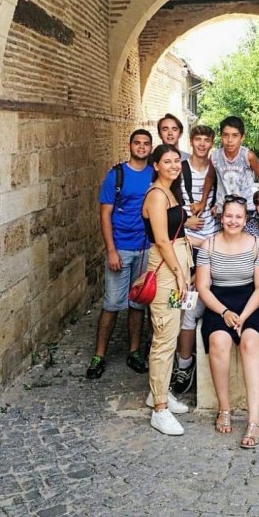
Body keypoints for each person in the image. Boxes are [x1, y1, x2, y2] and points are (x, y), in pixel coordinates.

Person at [195, 195, 259, 448]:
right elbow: (203, 287)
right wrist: (225, 312)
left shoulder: (255, 245)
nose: (233, 221)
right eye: (229, 215)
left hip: (251, 302)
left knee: (250, 343)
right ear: (221, 217)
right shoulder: (208, 245)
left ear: (245, 219)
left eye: (238, 216)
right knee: (219, 342)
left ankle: (254, 419)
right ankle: (224, 407)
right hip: (219, 302)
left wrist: (243, 316)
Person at [135, 143, 197, 435]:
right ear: (156, 165)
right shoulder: (157, 195)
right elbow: (161, 240)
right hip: (166, 273)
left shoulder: (171, 191)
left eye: (176, 161)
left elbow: (178, 234)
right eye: (167, 161)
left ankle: (157, 392)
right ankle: (159, 410)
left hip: (178, 267)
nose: (173, 165)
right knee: (163, 336)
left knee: (172, 331)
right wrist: (180, 275)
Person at [86, 129, 154, 379]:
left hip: (145, 248)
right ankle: (99, 355)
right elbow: (105, 214)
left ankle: (134, 352)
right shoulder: (116, 175)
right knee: (112, 303)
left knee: (138, 303)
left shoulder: (154, 174)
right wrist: (111, 250)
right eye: (137, 143)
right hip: (121, 248)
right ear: (130, 145)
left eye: (146, 143)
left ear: (150, 148)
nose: (141, 147)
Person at [171, 125, 217, 394]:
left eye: (206, 140)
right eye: (197, 139)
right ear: (191, 141)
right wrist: (184, 223)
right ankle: (180, 362)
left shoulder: (216, 169)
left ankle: (194, 357)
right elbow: (168, 204)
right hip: (185, 246)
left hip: (212, 248)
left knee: (205, 300)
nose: (201, 144)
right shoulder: (179, 169)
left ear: (211, 143)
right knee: (179, 302)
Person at [200, 116, 259, 216]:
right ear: (221, 136)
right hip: (224, 210)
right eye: (225, 135)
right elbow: (209, 178)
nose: (229, 140)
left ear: (242, 137)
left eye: (235, 135)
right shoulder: (215, 157)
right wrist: (203, 202)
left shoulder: (247, 156)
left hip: (247, 210)